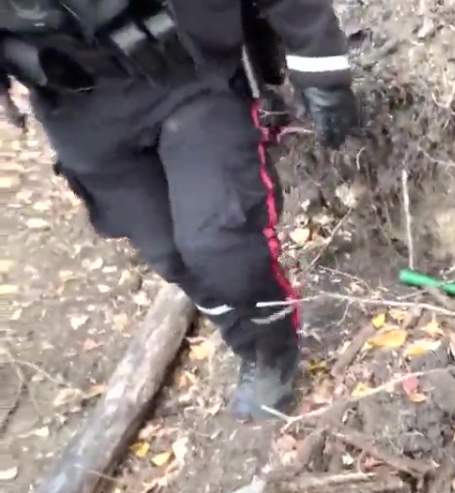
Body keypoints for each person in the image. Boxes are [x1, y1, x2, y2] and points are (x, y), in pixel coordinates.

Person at [0, 0, 358, 420]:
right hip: (78, 110)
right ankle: (249, 346)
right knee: (170, 255)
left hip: (187, 74)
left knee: (220, 245)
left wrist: (321, 69)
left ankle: (274, 347)